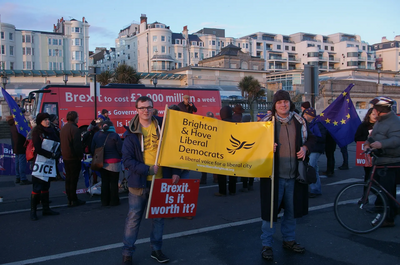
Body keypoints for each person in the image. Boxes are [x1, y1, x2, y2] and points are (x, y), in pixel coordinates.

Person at [259, 90, 316, 261]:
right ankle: (266, 244)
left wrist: (306, 148)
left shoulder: (300, 121)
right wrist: (266, 147)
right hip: (272, 177)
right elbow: (254, 145)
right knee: (270, 213)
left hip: (294, 177)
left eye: (286, 101)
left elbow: (312, 139)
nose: (283, 105)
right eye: (279, 102)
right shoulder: (266, 123)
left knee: (291, 212)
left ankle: (289, 240)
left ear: (290, 103)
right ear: (274, 105)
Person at [122, 96, 178, 264]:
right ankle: (127, 252)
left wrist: (175, 171)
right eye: (142, 108)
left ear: (153, 109)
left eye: (148, 107)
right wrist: (146, 169)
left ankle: (156, 249)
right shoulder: (131, 133)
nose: (145, 110)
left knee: (159, 218)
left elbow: (173, 149)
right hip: (138, 183)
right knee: (134, 218)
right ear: (137, 110)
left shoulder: (163, 126)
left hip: (160, 181)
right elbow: (127, 160)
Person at [364, 96, 400, 228]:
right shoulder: (380, 121)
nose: (372, 110)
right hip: (380, 160)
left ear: (380, 109)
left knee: (387, 192)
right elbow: (373, 135)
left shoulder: (394, 122)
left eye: (374, 108)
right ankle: (393, 209)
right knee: (378, 188)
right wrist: (368, 143)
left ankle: (388, 218)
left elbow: (397, 139)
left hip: (391, 161)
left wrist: (382, 144)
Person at [30, 113, 60, 220]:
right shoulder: (37, 132)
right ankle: (33, 211)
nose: (48, 121)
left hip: (50, 163)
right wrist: (51, 154)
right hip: (40, 163)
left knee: (46, 186)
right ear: (40, 121)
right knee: (37, 187)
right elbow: (38, 148)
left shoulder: (52, 131)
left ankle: (46, 208)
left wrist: (57, 153)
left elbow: (57, 143)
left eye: (48, 119)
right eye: (45, 120)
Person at [91, 120, 123, 206]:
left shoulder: (97, 135)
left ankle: (104, 201)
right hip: (114, 161)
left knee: (104, 182)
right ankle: (114, 201)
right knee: (114, 182)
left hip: (101, 162)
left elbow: (92, 148)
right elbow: (120, 149)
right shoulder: (115, 135)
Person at [60, 111, 86, 207]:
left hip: (66, 157)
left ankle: (69, 198)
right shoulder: (75, 129)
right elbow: (77, 145)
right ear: (75, 118)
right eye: (78, 116)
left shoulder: (64, 128)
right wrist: (80, 156)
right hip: (73, 158)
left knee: (68, 178)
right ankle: (74, 199)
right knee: (74, 179)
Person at [303, 108, 327, 198]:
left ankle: (315, 189)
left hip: (316, 149)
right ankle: (316, 188)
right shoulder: (311, 124)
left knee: (311, 168)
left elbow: (322, 138)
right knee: (314, 168)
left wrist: (312, 138)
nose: (304, 116)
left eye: (305, 115)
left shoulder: (318, 124)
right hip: (313, 148)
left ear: (309, 116)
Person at [214, 106, 237, 196]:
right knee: (232, 171)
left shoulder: (219, 124)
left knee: (222, 172)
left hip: (222, 151)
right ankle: (232, 190)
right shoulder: (236, 124)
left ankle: (222, 191)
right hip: (233, 151)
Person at [7, 116, 32, 185]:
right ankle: (23, 178)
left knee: (17, 162)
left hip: (15, 146)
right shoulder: (18, 124)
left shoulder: (12, 124)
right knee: (21, 163)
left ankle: (18, 177)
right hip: (20, 145)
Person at [354, 108, 377, 183]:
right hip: (367, 153)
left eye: (376, 114)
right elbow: (357, 138)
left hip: (377, 153)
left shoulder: (380, 125)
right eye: (373, 114)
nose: (375, 116)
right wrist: (367, 139)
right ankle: (366, 192)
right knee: (368, 174)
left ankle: (378, 192)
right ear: (369, 115)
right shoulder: (363, 126)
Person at [241, 114, 254, 191]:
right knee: (251, 168)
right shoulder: (253, 128)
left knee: (244, 169)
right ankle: (251, 184)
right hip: (252, 151)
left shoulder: (241, 129)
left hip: (244, 151)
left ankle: (245, 186)